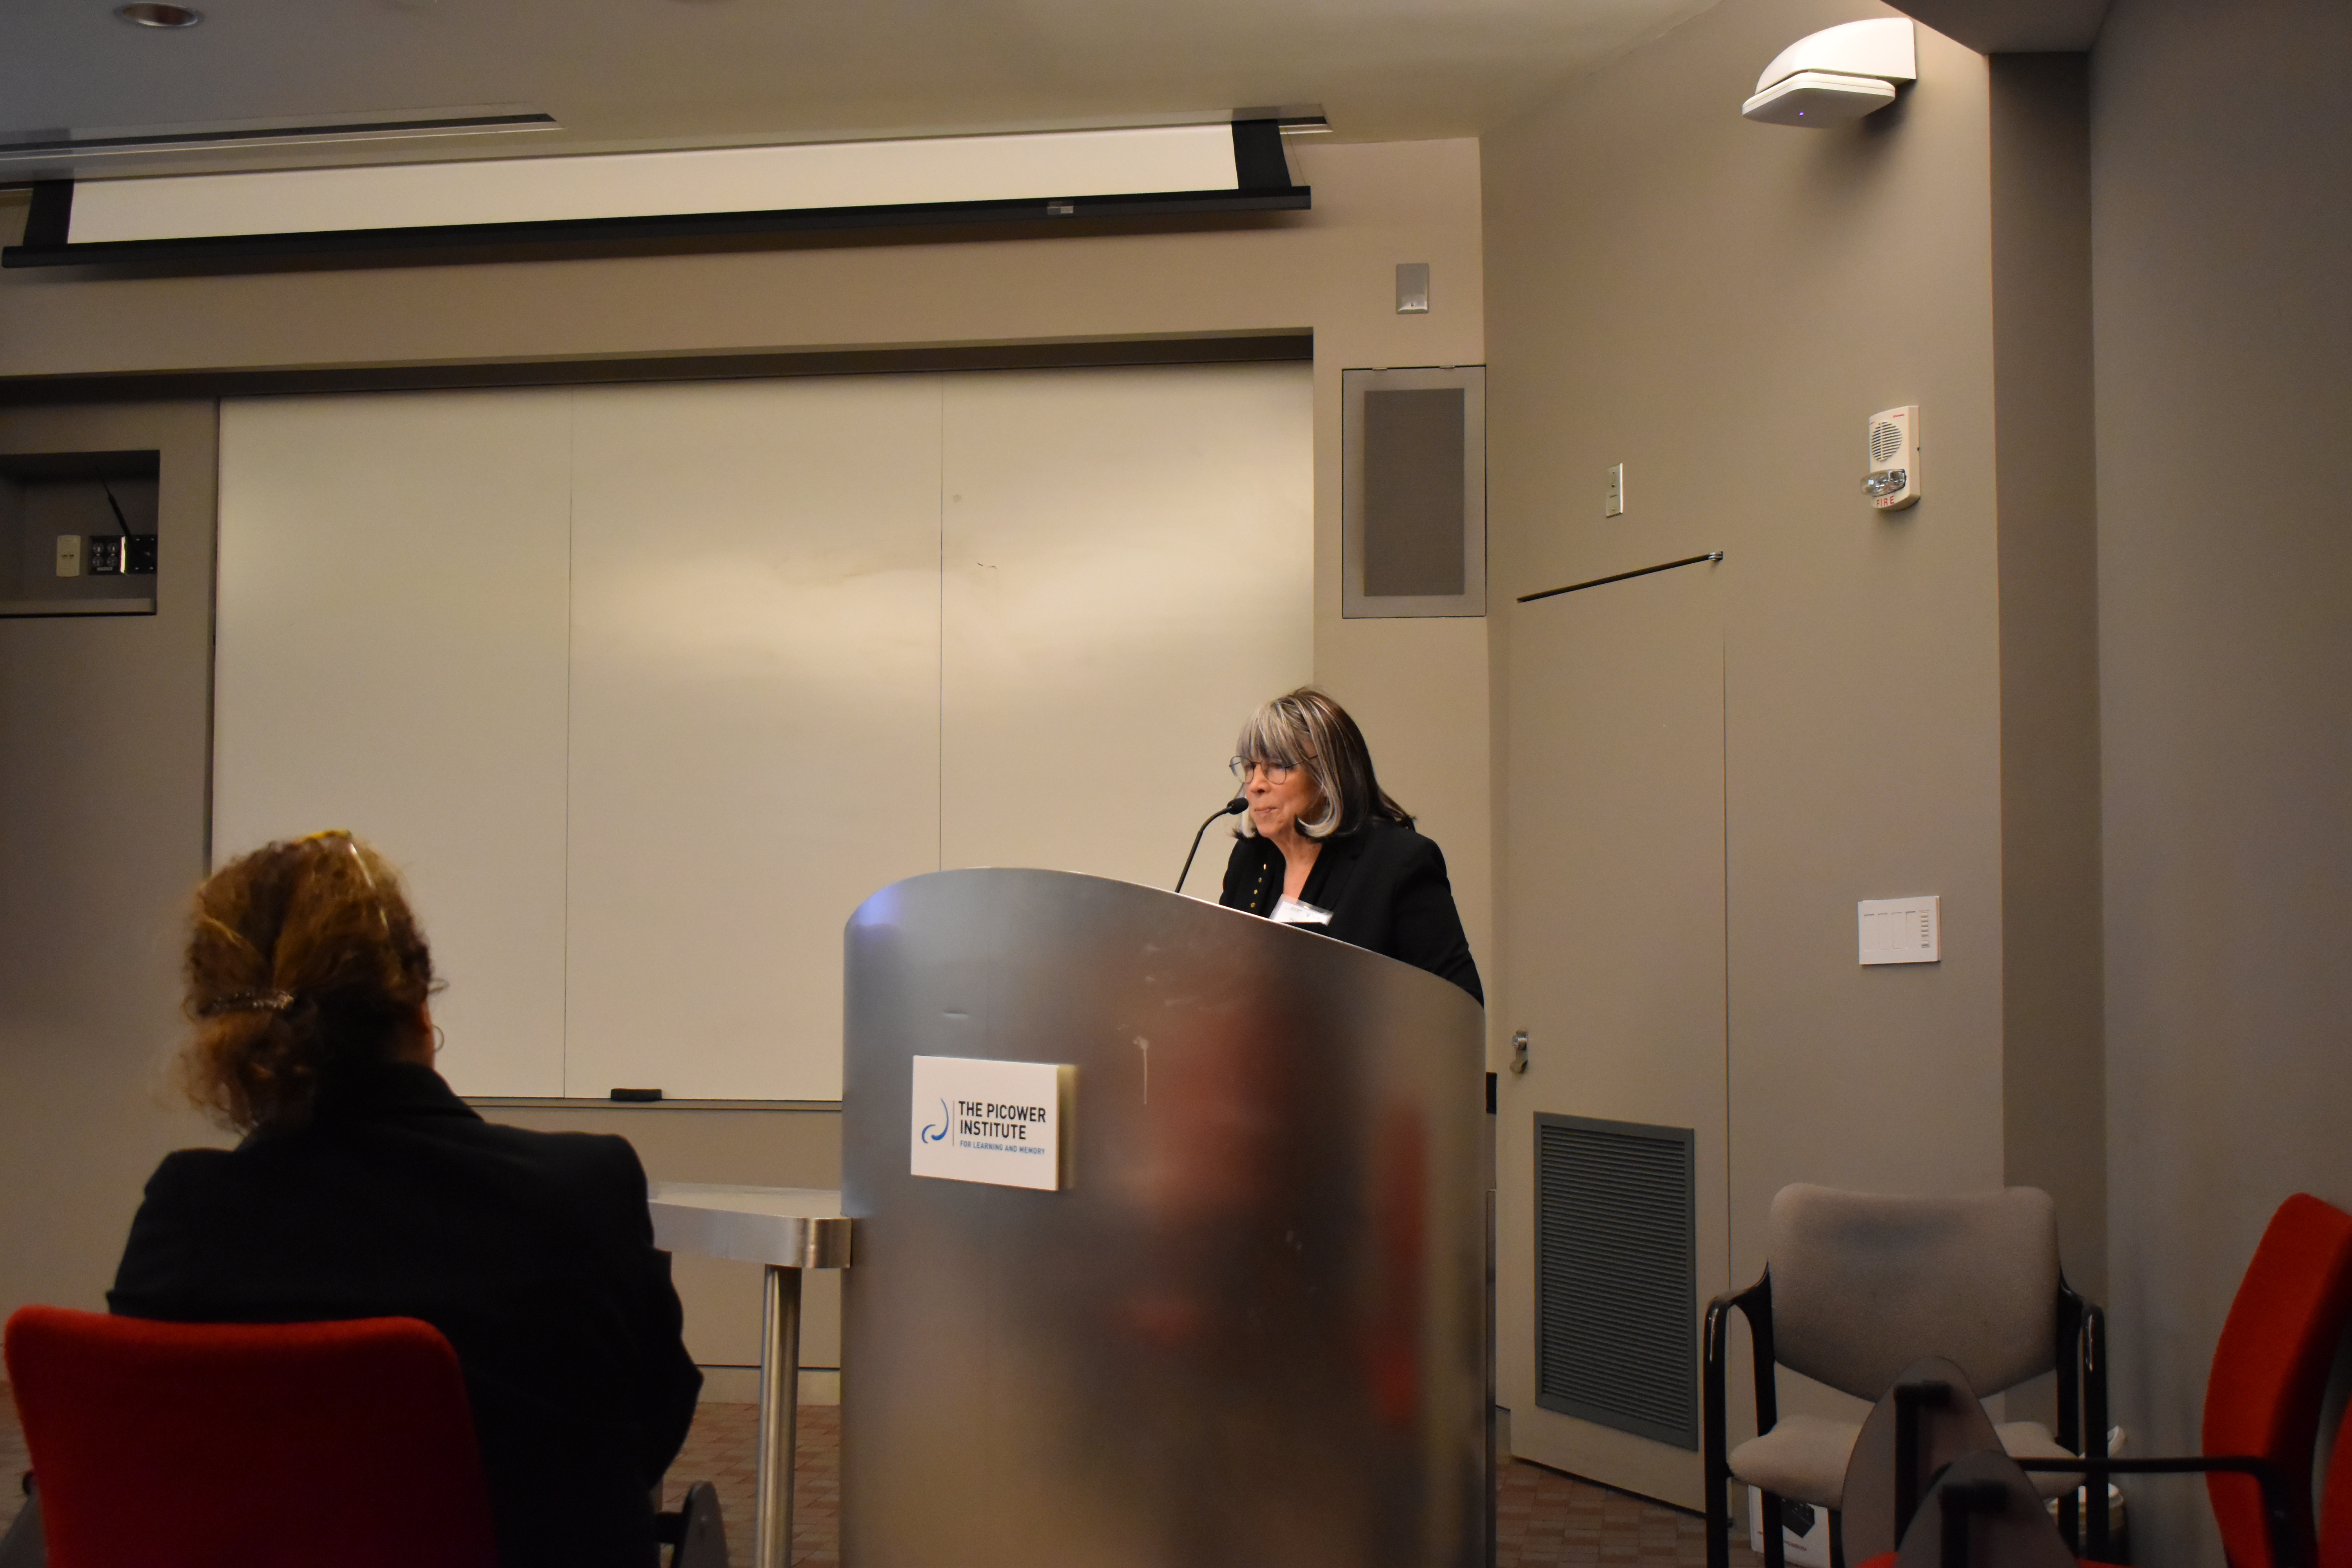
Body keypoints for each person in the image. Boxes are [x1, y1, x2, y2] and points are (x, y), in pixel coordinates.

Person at [108, 831, 702, 1568]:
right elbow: (644, 1433)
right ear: (418, 1002)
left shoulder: (186, 1214)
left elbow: (148, 1464)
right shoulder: (579, 1190)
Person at [1218, 688, 1483, 1002]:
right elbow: (1223, 979)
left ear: (1329, 774)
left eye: (1277, 766)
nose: (1256, 785)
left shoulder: (1398, 862)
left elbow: (1459, 1003)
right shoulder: (1252, 859)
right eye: (1249, 767)